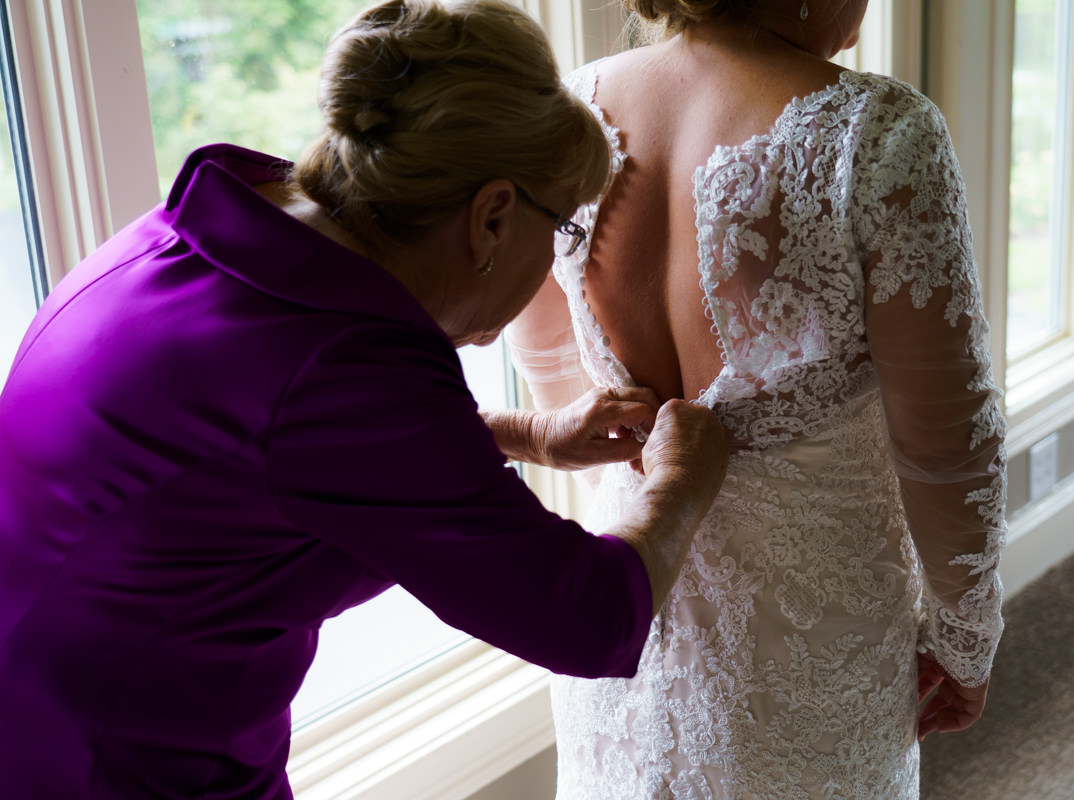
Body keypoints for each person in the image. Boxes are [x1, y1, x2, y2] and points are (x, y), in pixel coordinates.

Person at [0, 1, 729, 798]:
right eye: (558, 228)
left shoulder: (206, 231)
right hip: (114, 766)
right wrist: (679, 485)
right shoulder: (352, 366)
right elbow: (586, 618)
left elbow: (258, 452)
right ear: (491, 217)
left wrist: (524, 435)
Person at [506, 0, 1008, 797]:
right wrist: (966, 636)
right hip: (811, 634)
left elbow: (550, 366)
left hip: (630, 592)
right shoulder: (877, 133)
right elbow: (948, 443)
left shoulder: (562, 112)